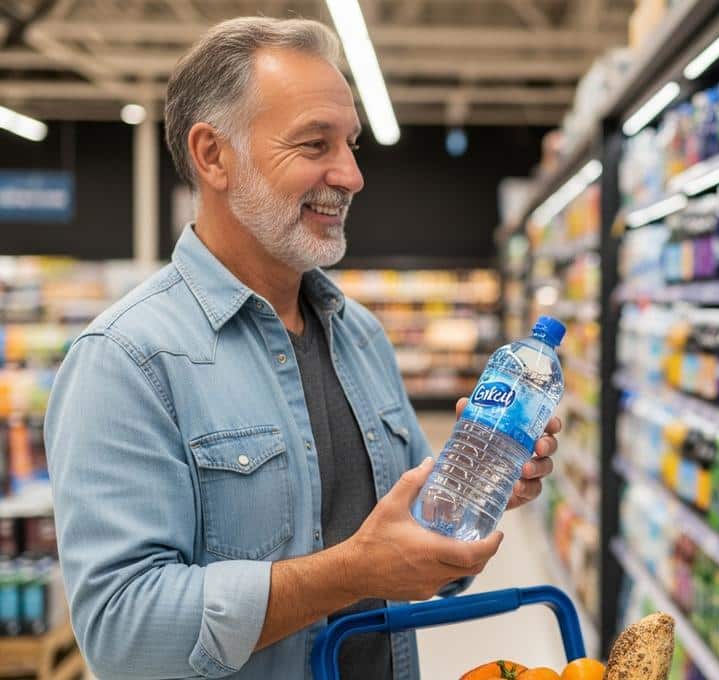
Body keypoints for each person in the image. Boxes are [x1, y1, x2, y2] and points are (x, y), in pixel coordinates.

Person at [43, 16, 561, 680]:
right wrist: (351, 571)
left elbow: (420, 562)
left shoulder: (360, 336)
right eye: (315, 143)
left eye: (350, 144)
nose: (350, 175)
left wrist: (479, 493)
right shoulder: (127, 359)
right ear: (213, 156)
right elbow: (124, 634)